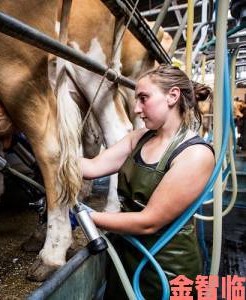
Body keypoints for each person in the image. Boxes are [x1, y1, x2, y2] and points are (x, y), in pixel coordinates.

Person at [80, 64, 215, 299]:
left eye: (143, 98)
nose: (136, 109)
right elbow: (91, 167)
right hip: (127, 255)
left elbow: (148, 221)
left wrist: (85, 217)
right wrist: (52, 156)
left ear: (172, 96)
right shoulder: (138, 138)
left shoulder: (195, 154)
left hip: (166, 270)